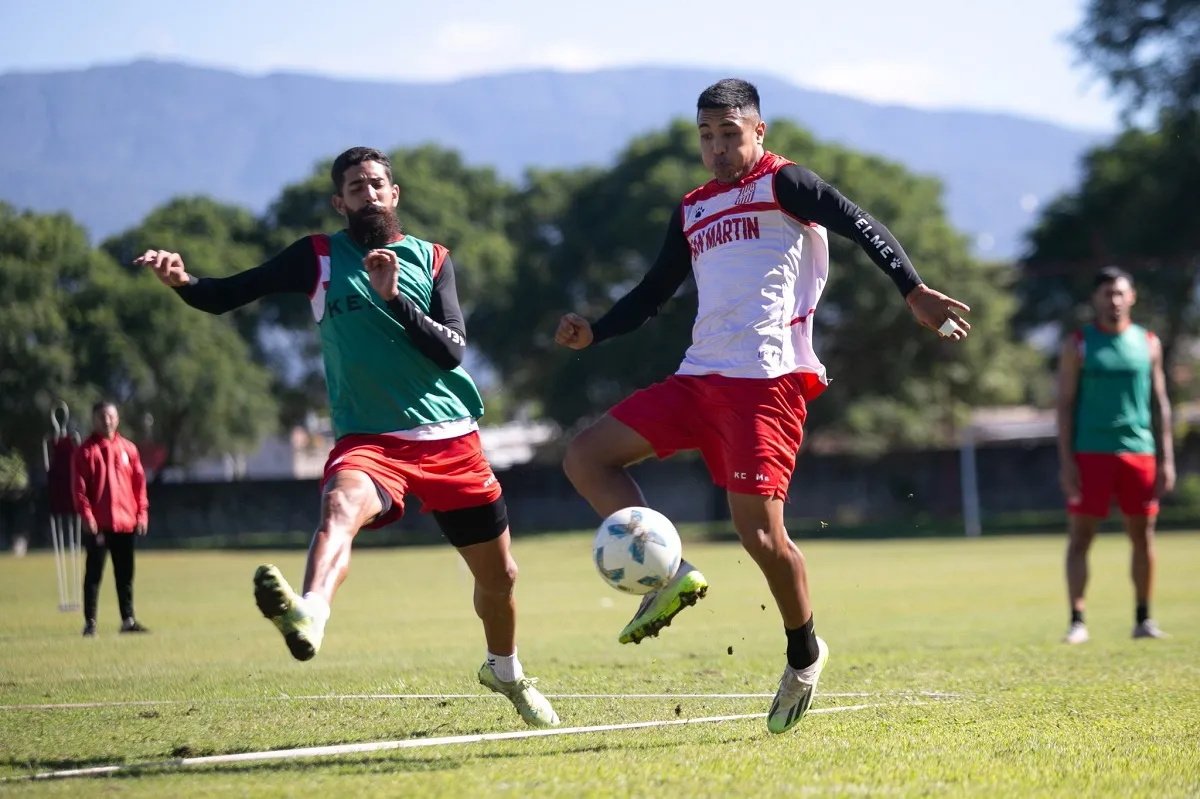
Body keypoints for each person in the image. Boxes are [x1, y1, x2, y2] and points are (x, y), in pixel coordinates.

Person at [555, 79, 971, 735]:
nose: (717, 148)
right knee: (585, 456)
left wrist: (912, 288)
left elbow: (863, 223)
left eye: (729, 133)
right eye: (706, 136)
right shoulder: (692, 208)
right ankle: (671, 574)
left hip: (767, 384)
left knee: (760, 537)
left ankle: (804, 652)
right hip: (698, 378)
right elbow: (652, 292)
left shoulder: (788, 184)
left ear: (758, 131)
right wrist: (596, 330)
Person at [135, 147, 559, 728]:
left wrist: (394, 298)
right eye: (356, 188)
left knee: (499, 578)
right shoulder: (316, 256)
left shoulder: (432, 258)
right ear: (341, 202)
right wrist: (182, 280)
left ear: (395, 193)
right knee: (339, 506)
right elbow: (227, 293)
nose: (368, 194)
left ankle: (505, 671)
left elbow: (453, 350)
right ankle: (310, 613)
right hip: (371, 442)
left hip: (451, 440)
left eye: (377, 184)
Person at [1056, 266, 1174, 644]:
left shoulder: (1149, 342)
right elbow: (1064, 406)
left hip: (1140, 452)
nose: (1115, 300)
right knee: (1081, 538)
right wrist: (1066, 461)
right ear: (1096, 299)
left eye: (1121, 293)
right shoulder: (1079, 344)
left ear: (1132, 297)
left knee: (1143, 538)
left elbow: (1161, 403)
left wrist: (1167, 457)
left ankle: (1143, 619)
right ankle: (1077, 620)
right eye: (1107, 293)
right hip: (1091, 453)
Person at [72, 401, 151, 636]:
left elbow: (139, 485)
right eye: (101, 416)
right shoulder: (86, 451)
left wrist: (142, 514)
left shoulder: (129, 449)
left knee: (125, 574)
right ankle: (90, 622)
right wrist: (87, 515)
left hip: (125, 523)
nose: (106, 421)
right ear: (93, 419)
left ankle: (128, 620)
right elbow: (79, 488)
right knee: (94, 574)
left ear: (117, 419)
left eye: (110, 416)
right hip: (99, 524)